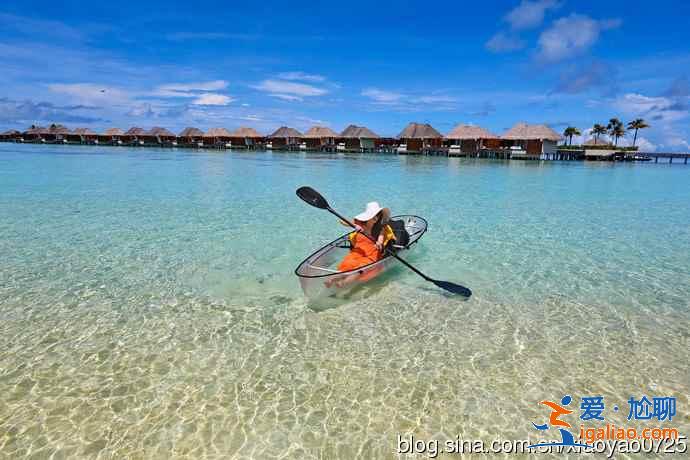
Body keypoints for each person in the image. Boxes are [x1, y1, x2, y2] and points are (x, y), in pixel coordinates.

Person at [325, 202, 396, 288]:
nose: (376, 217)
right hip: (358, 251)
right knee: (348, 264)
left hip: (372, 254)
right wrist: (354, 226)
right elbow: (342, 222)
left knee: (361, 270)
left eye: (378, 215)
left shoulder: (381, 228)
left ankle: (343, 283)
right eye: (373, 215)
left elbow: (381, 238)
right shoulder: (361, 223)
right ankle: (331, 280)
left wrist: (379, 243)